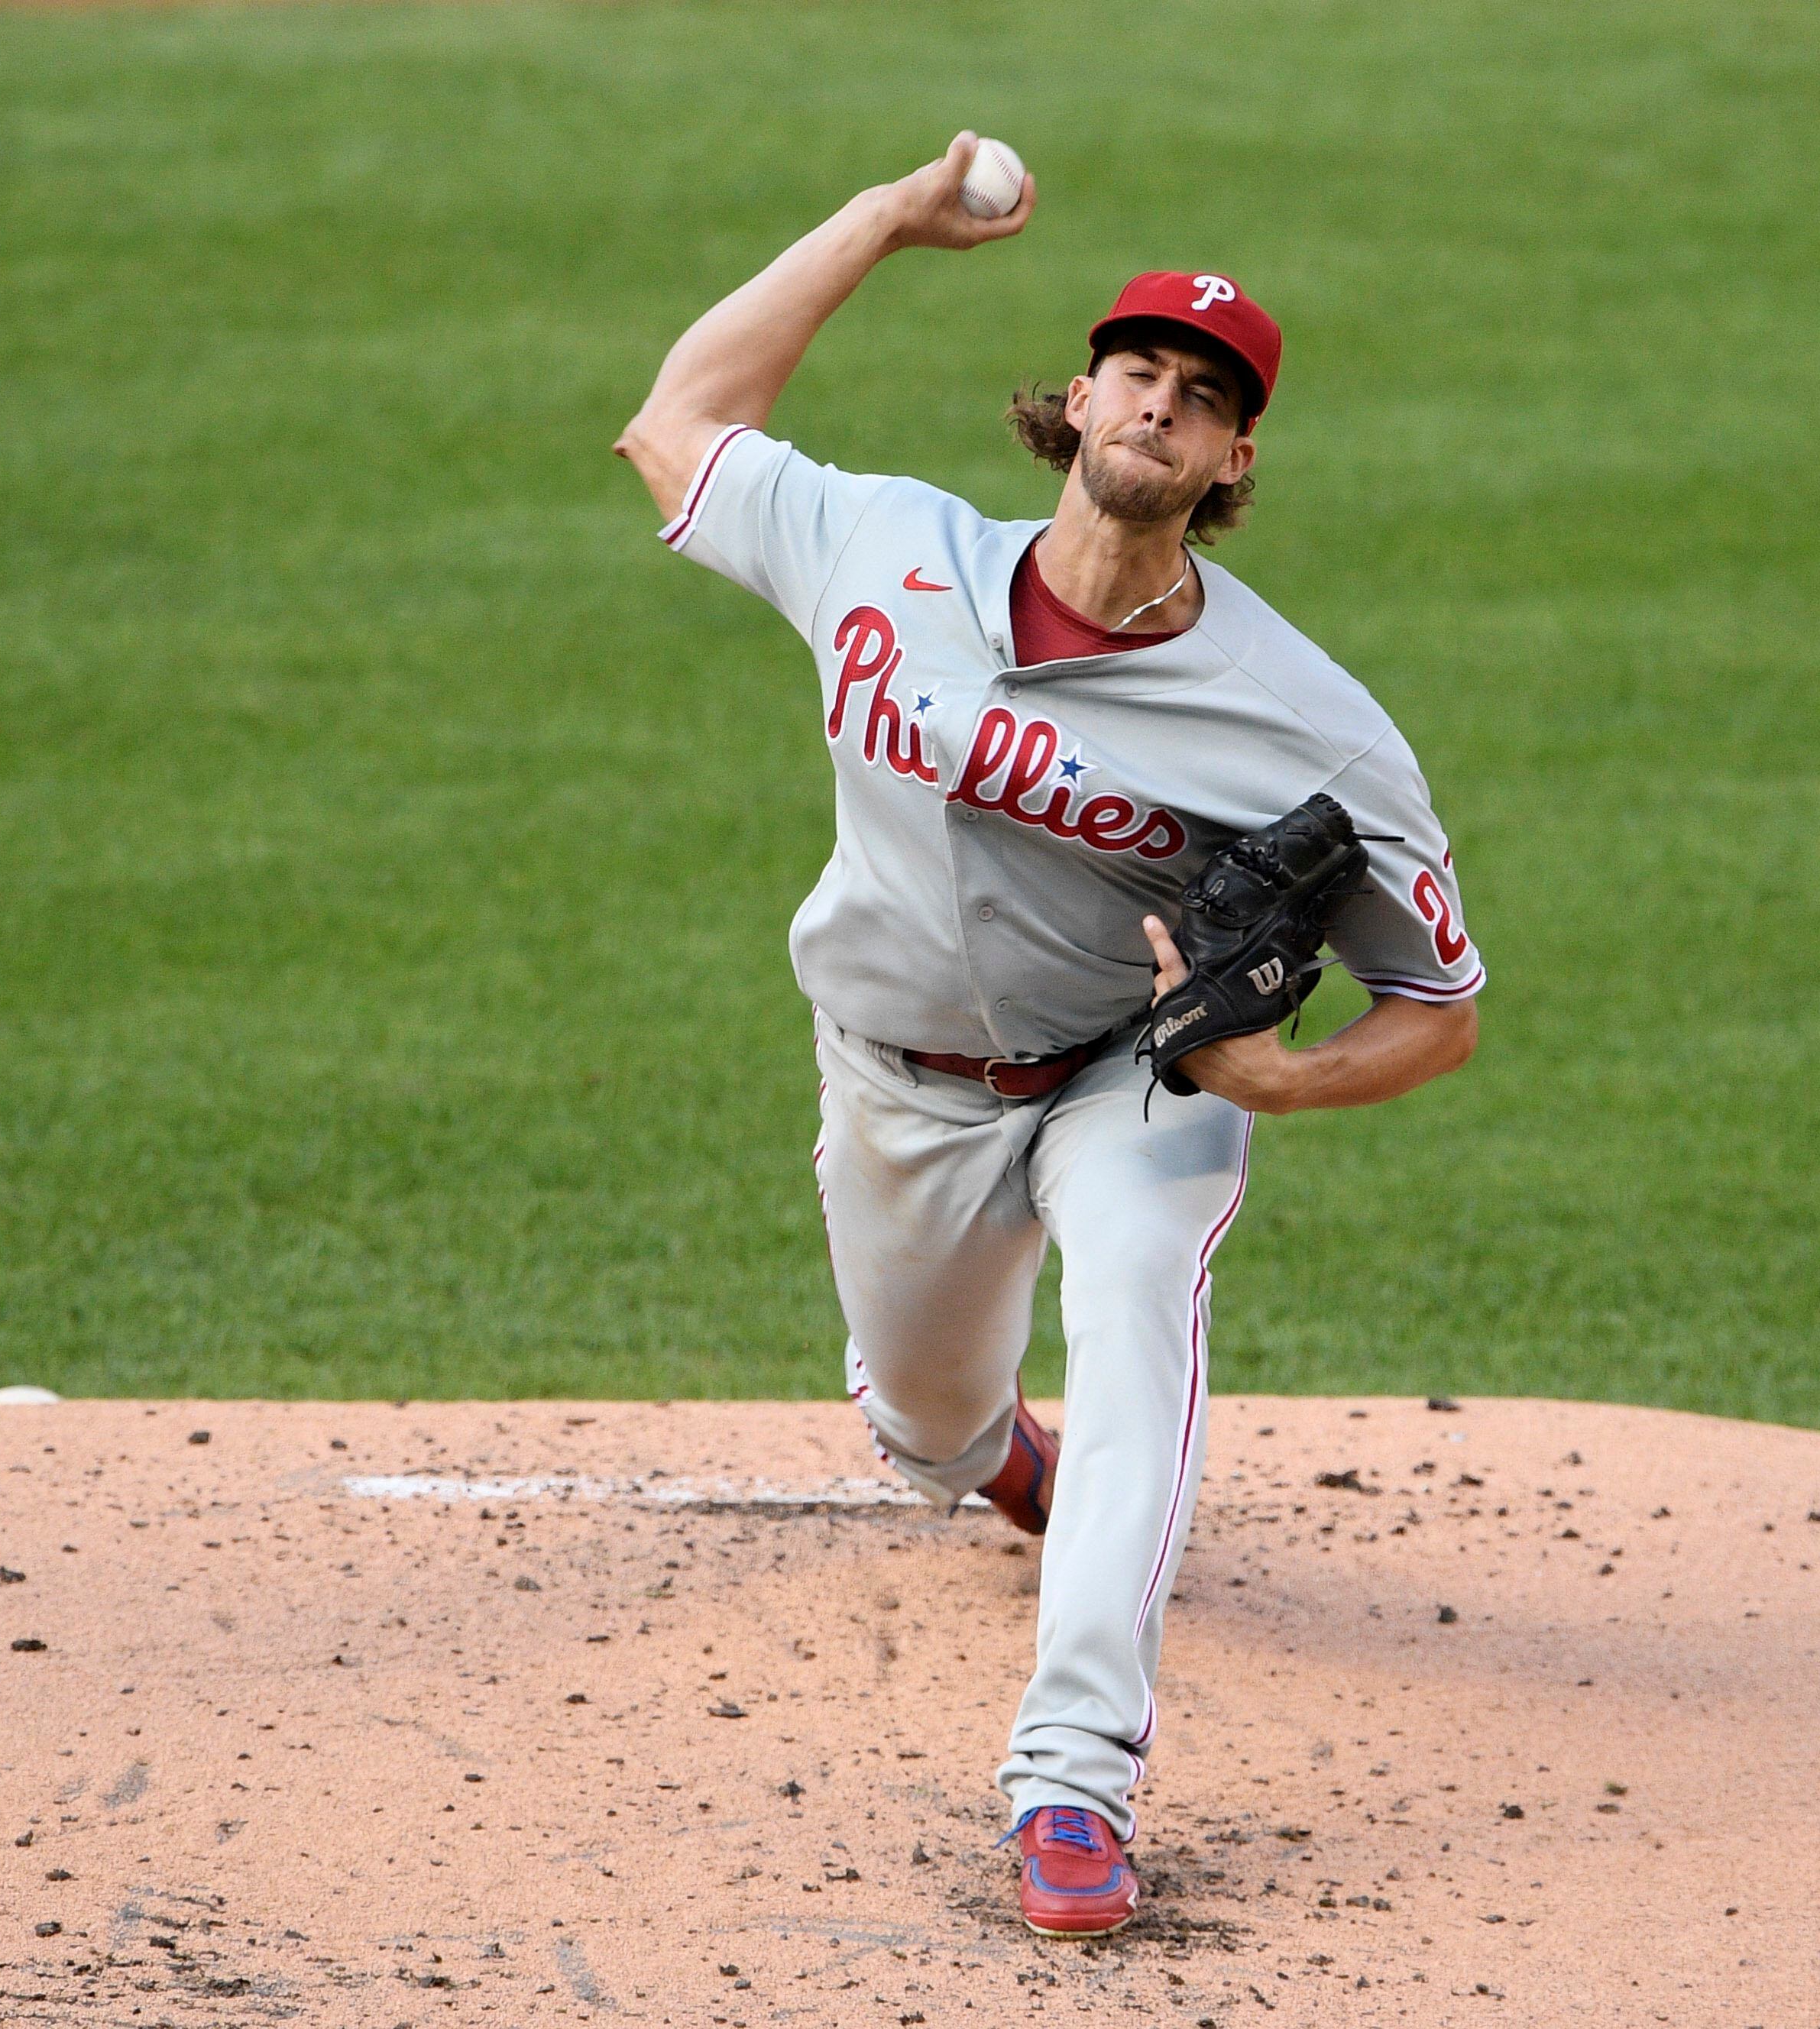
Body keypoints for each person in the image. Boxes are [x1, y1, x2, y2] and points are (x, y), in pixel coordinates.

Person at [614, 134, 1484, 1938]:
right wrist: (879, 219)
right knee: (927, 1427)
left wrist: (1281, 1076)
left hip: (1131, 1075)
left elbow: (1444, 1004)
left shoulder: (1309, 724)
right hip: (895, 1075)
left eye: (1208, 395)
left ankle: (1074, 1780)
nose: (1165, 402)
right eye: (1143, 368)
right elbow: (676, 418)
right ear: (1079, 398)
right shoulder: (882, 544)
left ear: (1238, 460)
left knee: (1146, 1311)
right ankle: (990, 1453)